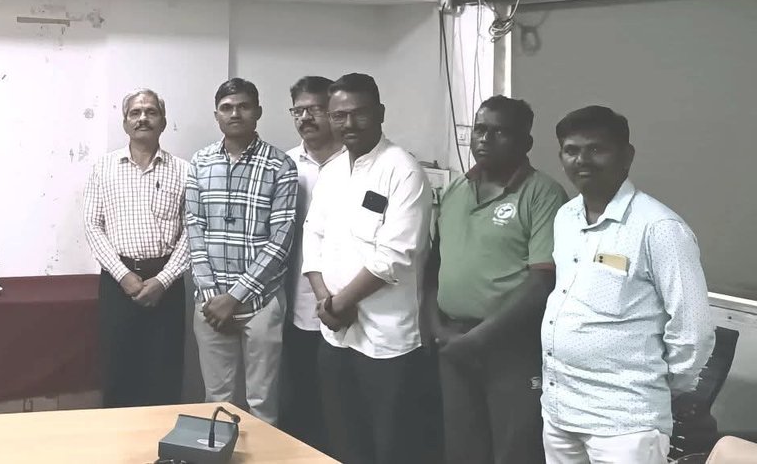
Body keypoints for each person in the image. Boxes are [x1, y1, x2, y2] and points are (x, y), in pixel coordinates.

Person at [541, 106, 713, 464]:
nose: (582, 160)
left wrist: (658, 389)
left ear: (627, 155)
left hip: (626, 423)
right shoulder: (565, 218)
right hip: (560, 411)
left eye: (596, 148)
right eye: (571, 150)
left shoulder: (659, 228)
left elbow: (693, 330)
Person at [424, 96, 566, 464]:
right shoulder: (455, 190)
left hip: (512, 346)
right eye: (480, 129)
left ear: (525, 142)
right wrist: (437, 328)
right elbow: (435, 266)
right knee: (462, 450)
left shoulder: (543, 193)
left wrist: (477, 339)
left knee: (514, 450)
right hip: (454, 342)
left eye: (500, 132)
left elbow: (542, 282)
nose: (486, 139)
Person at [300, 73, 431, 464]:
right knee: (343, 441)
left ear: (380, 113)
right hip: (335, 333)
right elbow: (313, 236)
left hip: (386, 340)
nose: (349, 124)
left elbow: (395, 255)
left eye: (359, 114)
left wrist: (340, 303)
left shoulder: (403, 170)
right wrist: (326, 301)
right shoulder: (332, 171)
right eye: (339, 115)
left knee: (390, 447)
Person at [184, 78, 298, 422]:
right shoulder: (200, 162)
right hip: (210, 303)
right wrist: (212, 296)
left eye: (244, 106)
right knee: (215, 400)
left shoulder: (280, 165)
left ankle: (263, 451)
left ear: (258, 112)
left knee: (262, 402)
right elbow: (194, 228)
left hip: (262, 302)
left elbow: (281, 239)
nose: (235, 113)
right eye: (227, 108)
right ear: (216, 115)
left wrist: (234, 297)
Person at [83, 89, 189, 408]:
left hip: (166, 285)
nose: (143, 118)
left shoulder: (184, 171)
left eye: (151, 112)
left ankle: (162, 439)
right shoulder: (103, 168)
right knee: (118, 373)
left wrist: (163, 280)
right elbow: (92, 225)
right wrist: (123, 275)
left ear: (163, 122)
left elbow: (192, 231)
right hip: (118, 283)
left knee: (164, 375)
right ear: (125, 123)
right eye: (135, 112)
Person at [278, 76, 342, 450]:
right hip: (298, 301)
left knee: (342, 402)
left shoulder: (354, 162)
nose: (305, 118)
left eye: (314, 109)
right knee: (302, 395)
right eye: (298, 110)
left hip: (347, 300)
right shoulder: (285, 164)